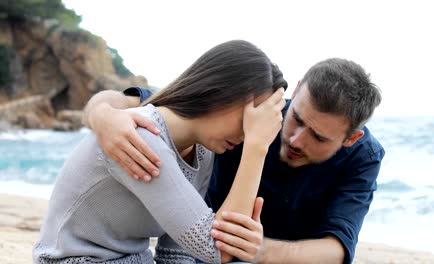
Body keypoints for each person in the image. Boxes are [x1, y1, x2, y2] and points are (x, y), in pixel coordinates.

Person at [85, 58, 384, 263]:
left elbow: (337, 250)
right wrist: (103, 116)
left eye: (318, 137)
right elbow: (144, 103)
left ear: (350, 139)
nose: (296, 140)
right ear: (295, 89)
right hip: (200, 252)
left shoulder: (363, 156)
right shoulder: (254, 109)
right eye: (297, 119)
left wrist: (260, 251)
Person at [33, 40, 288, 264]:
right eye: (252, 120)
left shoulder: (201, 152)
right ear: (223, 92)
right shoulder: (143, 134)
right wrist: (257, 146)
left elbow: (176, 254)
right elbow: (214, 250)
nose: (247, 135)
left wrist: (240, 241)